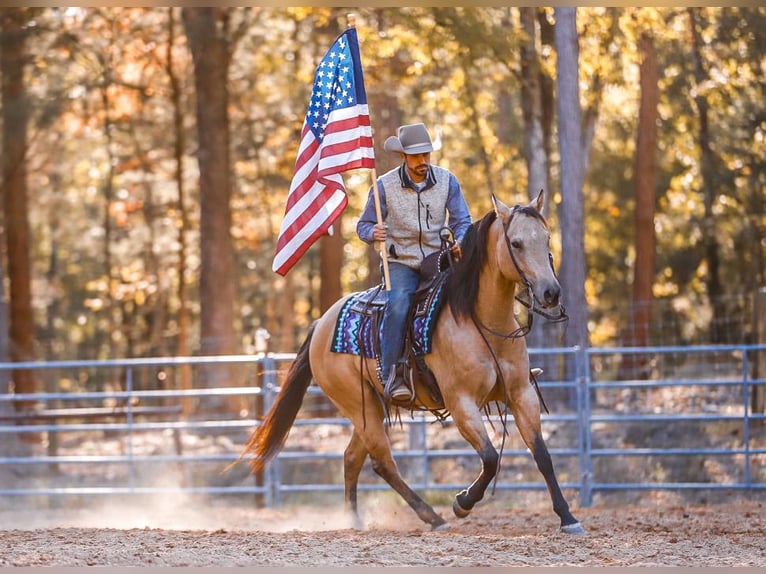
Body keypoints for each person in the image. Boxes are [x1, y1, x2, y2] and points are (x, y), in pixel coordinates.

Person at [357, 123, 472, 401]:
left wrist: (459, 239)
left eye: (426, 155)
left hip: (439, 258)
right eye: (416, 156)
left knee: (477, 291)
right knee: (398, 303)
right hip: (401, 261)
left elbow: (462, 220)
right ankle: (394, 372)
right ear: (403, 157)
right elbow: (363, 225)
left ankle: (498, 361)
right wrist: (373, 232)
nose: (423, 161)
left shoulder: (447, 181)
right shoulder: (383, 186)